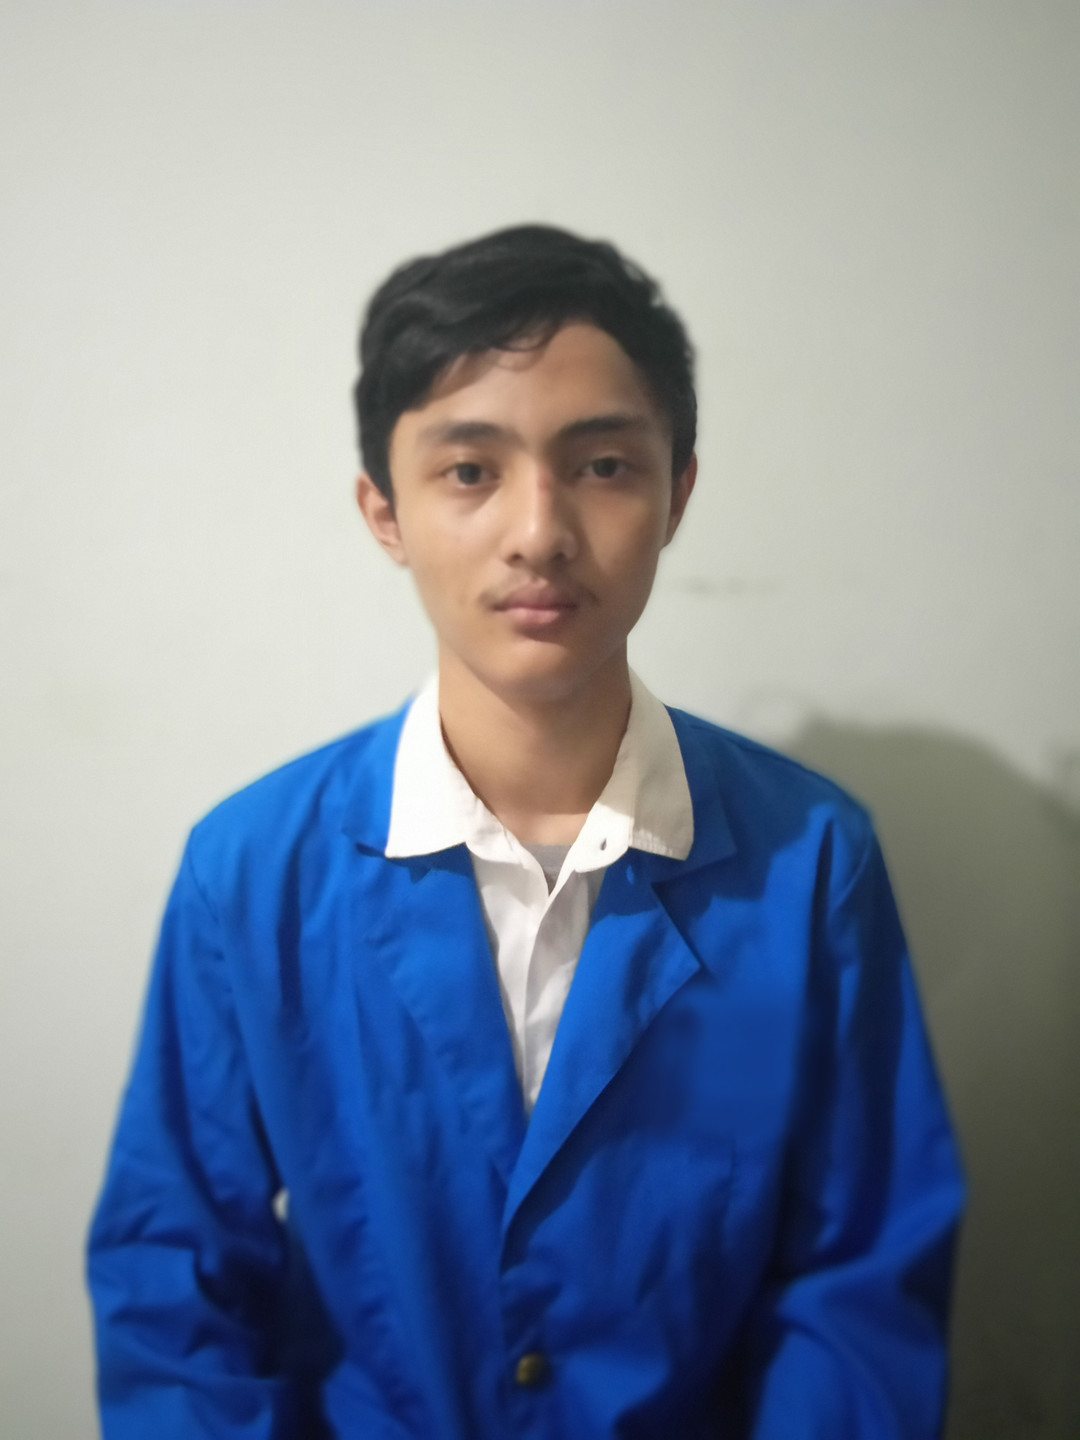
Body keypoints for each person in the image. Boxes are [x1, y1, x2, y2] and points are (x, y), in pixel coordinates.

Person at [87, 224, 964, 1439]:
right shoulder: (251, 875)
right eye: (469, 471)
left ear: (677, 493)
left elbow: (855, 1288)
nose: (539, 530)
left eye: (602, 464)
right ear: (384, 511)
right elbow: (174, 1282)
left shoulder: (811, 863)